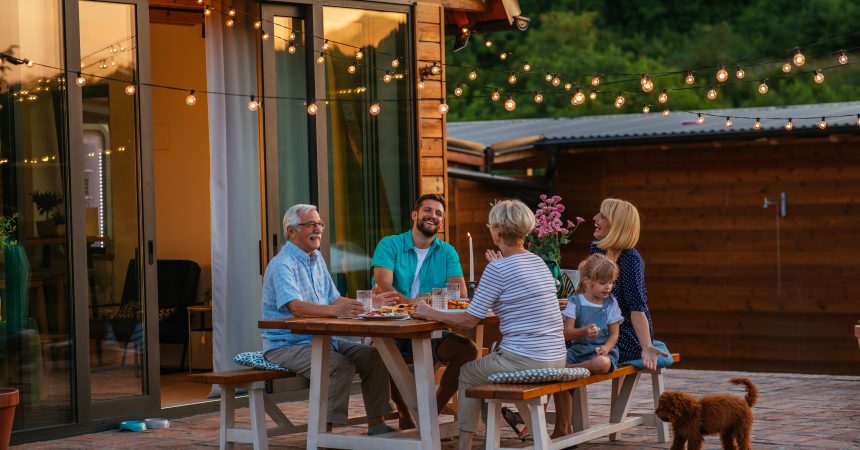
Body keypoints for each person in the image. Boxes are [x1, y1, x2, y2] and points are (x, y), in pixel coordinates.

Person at [413, 199, 567, 450]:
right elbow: (515, 300)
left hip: (526, 359)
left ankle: (465, 443)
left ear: (496, 230)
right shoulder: (537, 262)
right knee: (484, 369)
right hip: (556, 356)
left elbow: (470, 318)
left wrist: (429, 312)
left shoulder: (498, 269)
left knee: (469, 372)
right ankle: (514, 434)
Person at [261, 204, 400, 435]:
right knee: (337, 365)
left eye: (320, 224)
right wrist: (338, 312)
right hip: (286, 345)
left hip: (324, 339)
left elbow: (334, 300)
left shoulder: (316, 258)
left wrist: (368, 305)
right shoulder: (282, 264)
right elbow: (296, 307)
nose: (318, 229)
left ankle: (377, 424)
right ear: (292, 231)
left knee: (374, 356)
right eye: (310, 224)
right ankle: (323, 434)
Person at [371, 193, 479, 426]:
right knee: (379, 353)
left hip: (430, 330)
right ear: (415, 215)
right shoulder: (389, 244)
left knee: (468, 350)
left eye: (439, 213)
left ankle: (431, 415)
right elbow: (383, 287)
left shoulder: (447, 251)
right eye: (428, 210)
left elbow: (458, 293)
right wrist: (419, 305)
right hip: (393, 327)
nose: (433, 216)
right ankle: (404, 414)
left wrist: (427, 308)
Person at [591, 198, 669, 371]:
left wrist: (647, 347)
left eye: (602, 216)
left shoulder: (630, 260)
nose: (595, 218)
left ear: (616, 225)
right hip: (599, 324)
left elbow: (637, 308)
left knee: (578, 348)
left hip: (626, 332)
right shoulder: (597, 250)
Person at [552, 253, 623, 437]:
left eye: (611, 282)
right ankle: (563, 427)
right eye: (603, 282)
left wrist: (606, 348)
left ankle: (572, 369)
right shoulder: (575, 302)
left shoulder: (610, 304)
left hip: (599, 353)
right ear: (587, 281)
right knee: (555, 368)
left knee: (603, 363)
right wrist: (583, 331)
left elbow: (614, 334)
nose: (608, 286)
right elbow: (567, 333)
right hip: (577, 351)